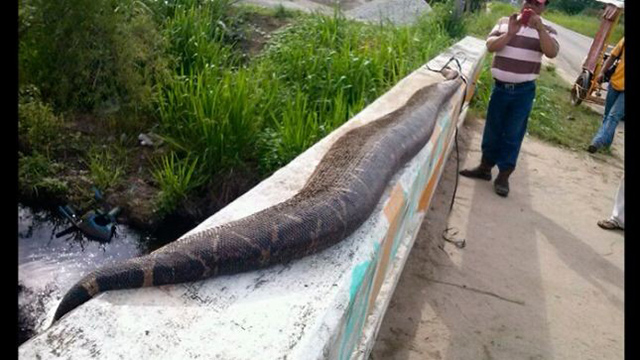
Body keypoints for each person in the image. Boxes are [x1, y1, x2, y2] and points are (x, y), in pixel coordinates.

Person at [459, 0, 559, 197]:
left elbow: (552, 52)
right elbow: (490, 46)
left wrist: (539, 30)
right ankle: (485, 168)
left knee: (513, 133)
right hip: (500, 88)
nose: (529, 6)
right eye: (527, 1)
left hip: (523, 91)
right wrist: (510, 33)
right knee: (492, 128)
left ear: (543, 8)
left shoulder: (547, 29)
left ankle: (504, 176)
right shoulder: (505, 21)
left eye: (536, 4)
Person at [588, 37, 625, 153]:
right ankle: (606, 144)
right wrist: (602, 72)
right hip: (615, 83)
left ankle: (597, 141)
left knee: (614, 116)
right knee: (608, 114)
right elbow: (613, 56)